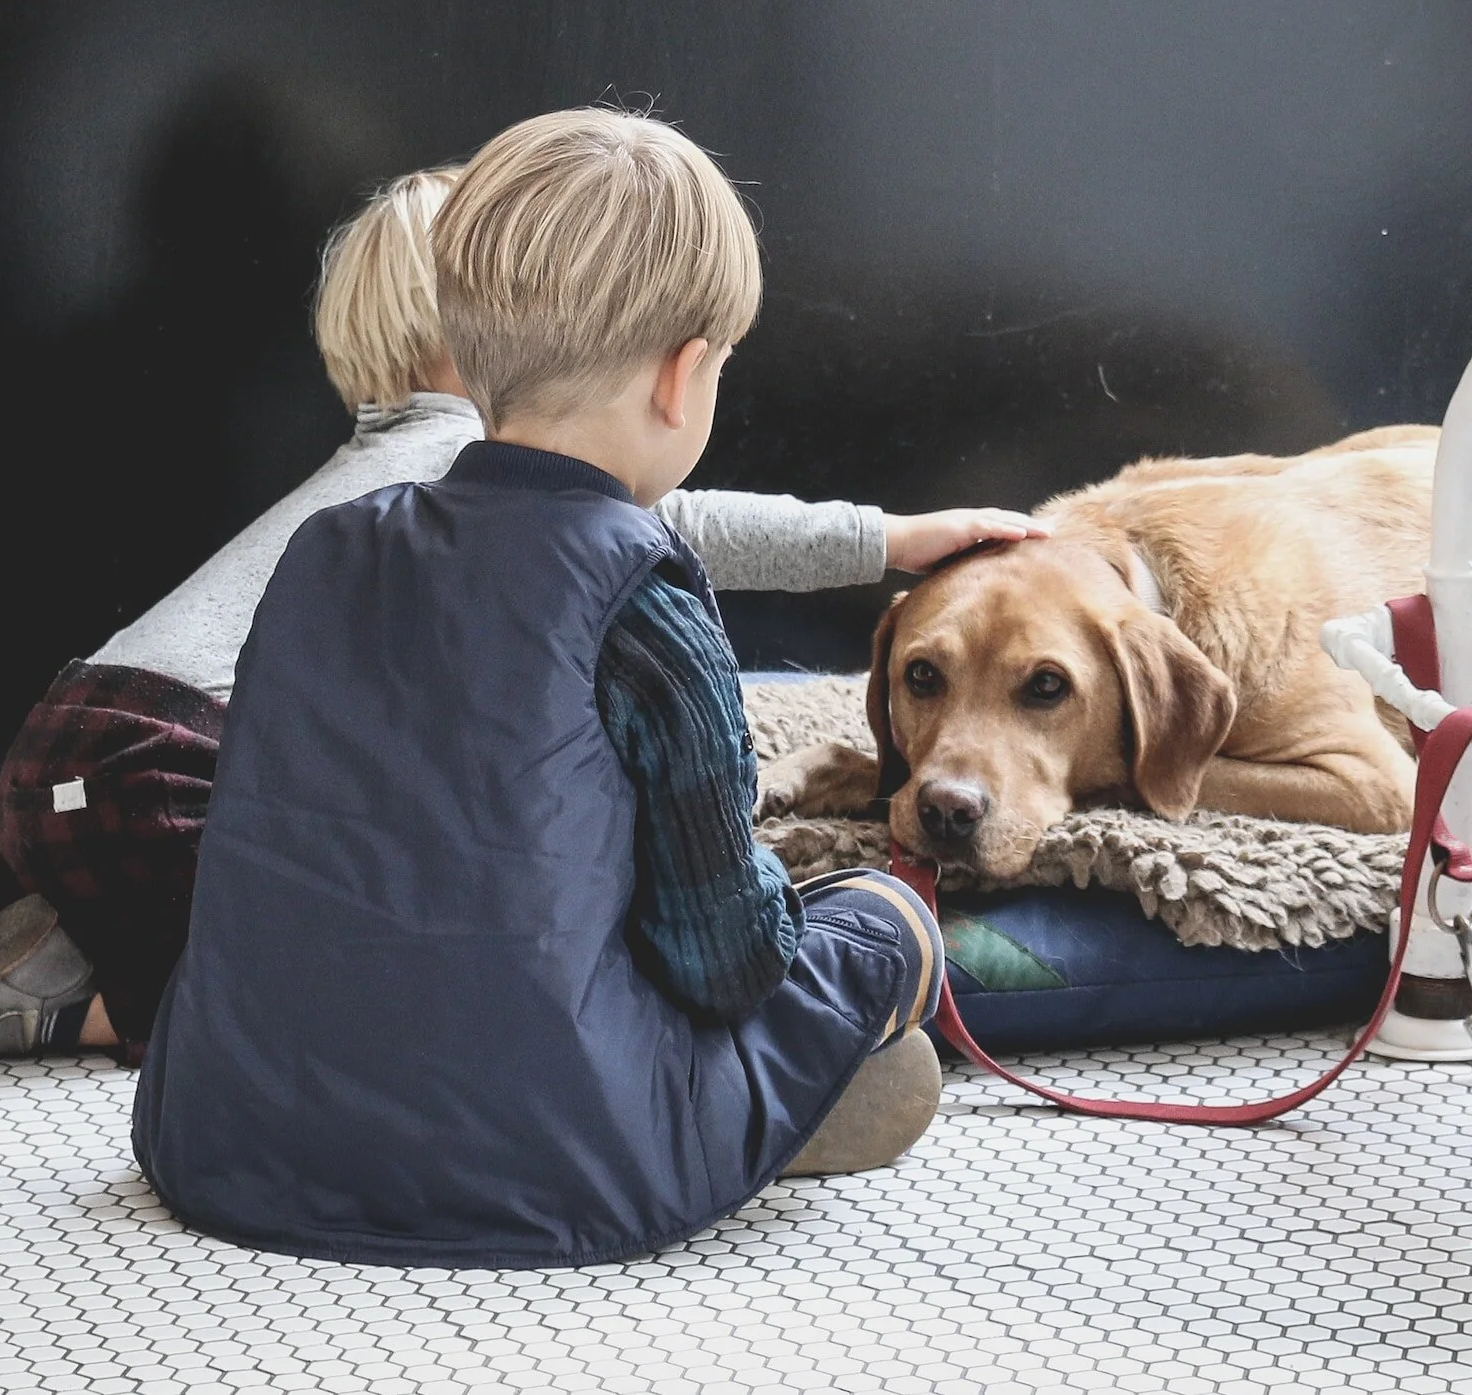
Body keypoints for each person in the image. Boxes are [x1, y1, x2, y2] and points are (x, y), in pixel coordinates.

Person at [0, 159, 1035, 1069]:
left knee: (277, 898)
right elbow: (683, 522)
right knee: (293, 981)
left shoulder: (381, 471)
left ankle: (36, 893)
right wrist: (885, 538)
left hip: (84, 736)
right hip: (170, 757)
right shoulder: (467, 468)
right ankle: (40, 1003)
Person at [132, 107, 1014, 1267]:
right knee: (881, 920)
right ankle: (752, 1109)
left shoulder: (327, 549)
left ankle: (720, 1103)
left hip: (229, 1127)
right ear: (682, 376)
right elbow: (726, 955)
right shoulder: (642, 593)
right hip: (547, 1156)